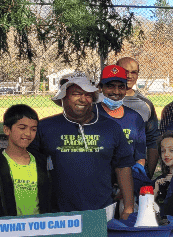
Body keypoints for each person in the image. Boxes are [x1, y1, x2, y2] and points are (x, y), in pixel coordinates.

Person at [36, 73, 136, 217]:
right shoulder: (46, 127)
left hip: (102, 211)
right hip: (58, 214)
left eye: (88, 95)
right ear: (63, 97)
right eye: (76, 94)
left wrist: (128, 208)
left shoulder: (110, 128)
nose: (83, 99)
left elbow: (123, 167)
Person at [0, 105, 56, 218]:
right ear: (6, 130)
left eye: (33, 129)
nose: (28, 133)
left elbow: (51, 201)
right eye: (22, 127)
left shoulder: (44, 163)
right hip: (6, 232)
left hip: (38, 231)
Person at [98, 64, 149, 186]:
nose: (116, 92)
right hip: (98, 179)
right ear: (101, 87)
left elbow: (140, 156)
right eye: (110, 86)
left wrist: (130, 179)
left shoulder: (135, 117)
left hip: (128, 177)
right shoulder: (92, 115)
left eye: (121, 87)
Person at [116, 56, 161, 178]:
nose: (129, 76)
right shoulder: (99, 102)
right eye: (125, 72)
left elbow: (153, 141)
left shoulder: (145, 105)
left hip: (133, 172)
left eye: (134, 72)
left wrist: (148, 174)